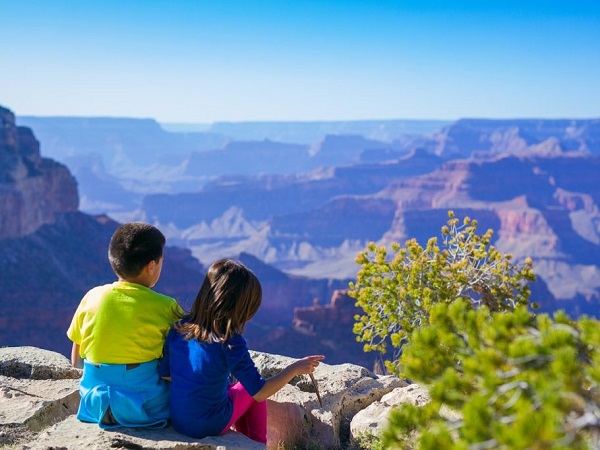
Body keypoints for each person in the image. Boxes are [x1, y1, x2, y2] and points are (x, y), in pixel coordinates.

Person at [159, 258, 324, 444]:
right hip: (209, 424)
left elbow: (166, 375)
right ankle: (257, 444)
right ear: (241, 306)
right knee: (250, 387)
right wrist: (294, 368)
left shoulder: (179, 328)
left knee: (235, 388)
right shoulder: (229, 341)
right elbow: (259, 392)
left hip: (179, 420)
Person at [66, 222, 182, 429]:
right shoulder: (167, 306)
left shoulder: (92, 296)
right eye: (162, 261)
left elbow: (76, 357)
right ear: (152, 266)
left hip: (94, 404)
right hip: (146, 408)